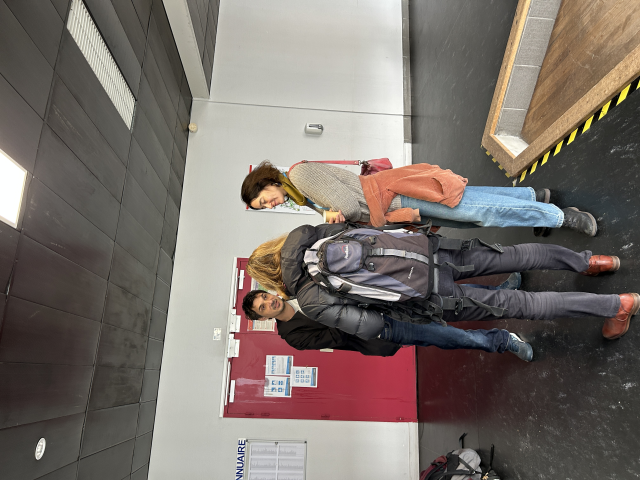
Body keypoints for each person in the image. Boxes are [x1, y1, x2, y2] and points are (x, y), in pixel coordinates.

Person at [245, 224, 639, 348]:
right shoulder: (310, 234)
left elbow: (369, 326)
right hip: (433, 249)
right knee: (516, 254)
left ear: (272, 280)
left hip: (432, 296)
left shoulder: (310, 299)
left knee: (522, 304)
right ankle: (591, 262)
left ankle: (616, 305)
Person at [240, 160, 597, 235]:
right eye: (265, 208)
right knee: (471, 202)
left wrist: (335, 218)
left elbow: (349, 206)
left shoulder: (299, 177)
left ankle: (561, 216)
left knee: (477, 211)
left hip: (395, 198)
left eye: (264, 200)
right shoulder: (301, 193)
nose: (271, 205)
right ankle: (535, 198)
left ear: (266, 183)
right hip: (393, 199)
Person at [242, 290, 534, 361]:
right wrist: (337, 309)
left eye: (265, 297)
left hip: (387, 301)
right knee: (446, 336)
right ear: (263, 318)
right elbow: (336, 335)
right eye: (263, 307)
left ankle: (500, 296)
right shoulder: (293, 337)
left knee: (450, 302)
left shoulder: (299, 292)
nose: (270, 302)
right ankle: (502, 340)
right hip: (382, 329)